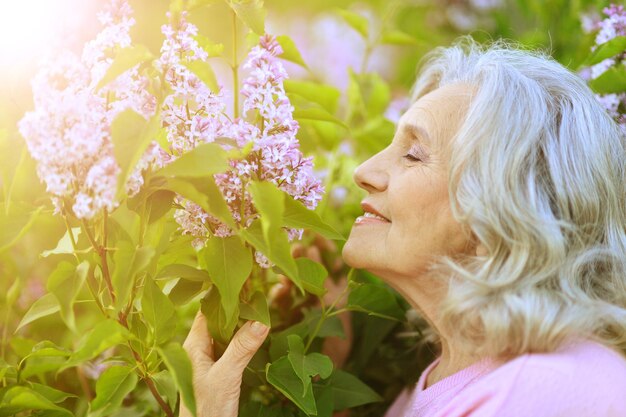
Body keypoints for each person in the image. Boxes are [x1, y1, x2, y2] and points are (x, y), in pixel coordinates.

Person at [180, 36, 626, 417]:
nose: (364, 171)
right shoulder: (446, 382)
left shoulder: (546, 391)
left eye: (414, 153)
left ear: (506, 205)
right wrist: (328, 376)